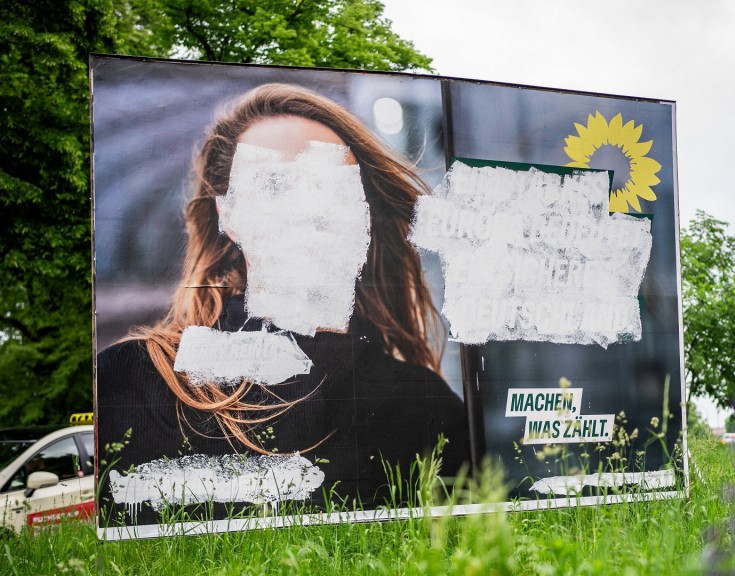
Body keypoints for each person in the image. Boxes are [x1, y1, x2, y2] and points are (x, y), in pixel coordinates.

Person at [97, 84, 469, 527]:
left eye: (330, 184)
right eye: (275, 185)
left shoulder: (425, 407)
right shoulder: (129, 380)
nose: (308, 209)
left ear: (363, 215)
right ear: (228, 216)